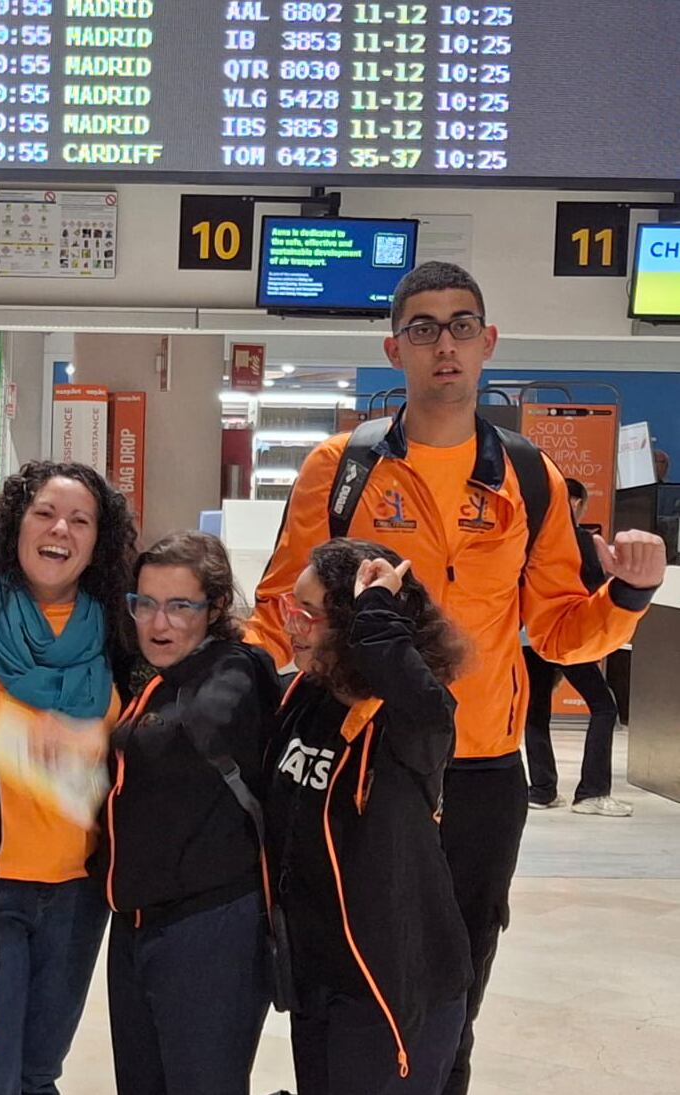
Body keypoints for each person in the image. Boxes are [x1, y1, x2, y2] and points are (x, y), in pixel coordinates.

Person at [245, 261, 669, 1095]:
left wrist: (627, 596)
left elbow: (556, 628)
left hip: (478, 766)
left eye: (462, 325)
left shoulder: (529, 477)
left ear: (488, 344)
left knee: (457, 980)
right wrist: (228, 685)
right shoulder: (342, 468)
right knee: (340, 967)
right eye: (425, 327)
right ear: (394, 346)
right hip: (362, 764)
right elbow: (279, 606)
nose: (446, 344)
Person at [0, 461, 137, 1095]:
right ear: (15, 524)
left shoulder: (119, 631)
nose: (60, 530)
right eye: (44, 513)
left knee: (39, 1075)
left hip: (77, 894)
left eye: (81, 520)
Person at [269, 540, 472, 1095]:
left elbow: (426, 704)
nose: (294, 627)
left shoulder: (408, 725)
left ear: (353, 626)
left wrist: (378, 611)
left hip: (395, 990)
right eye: (293, 609)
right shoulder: (305, 701)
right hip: (320, 983)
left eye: (308, 615)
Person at [90, 531, 279, 1095]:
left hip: (210, 927)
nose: (158, 623)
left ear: (216, 608)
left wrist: (81, 741)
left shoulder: (236, 667)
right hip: (136, 925)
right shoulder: (156, 679)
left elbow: (201, 729)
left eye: (179, 606)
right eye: (144, 604)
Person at [523, 479, 629, 816]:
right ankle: (592, 792)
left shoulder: (526, 539)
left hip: (528, 634)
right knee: (604, 706)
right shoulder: (579, 542)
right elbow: (596, 592)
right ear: (573, 502)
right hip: (567, 635)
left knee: (536, 712)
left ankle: (541, 789)